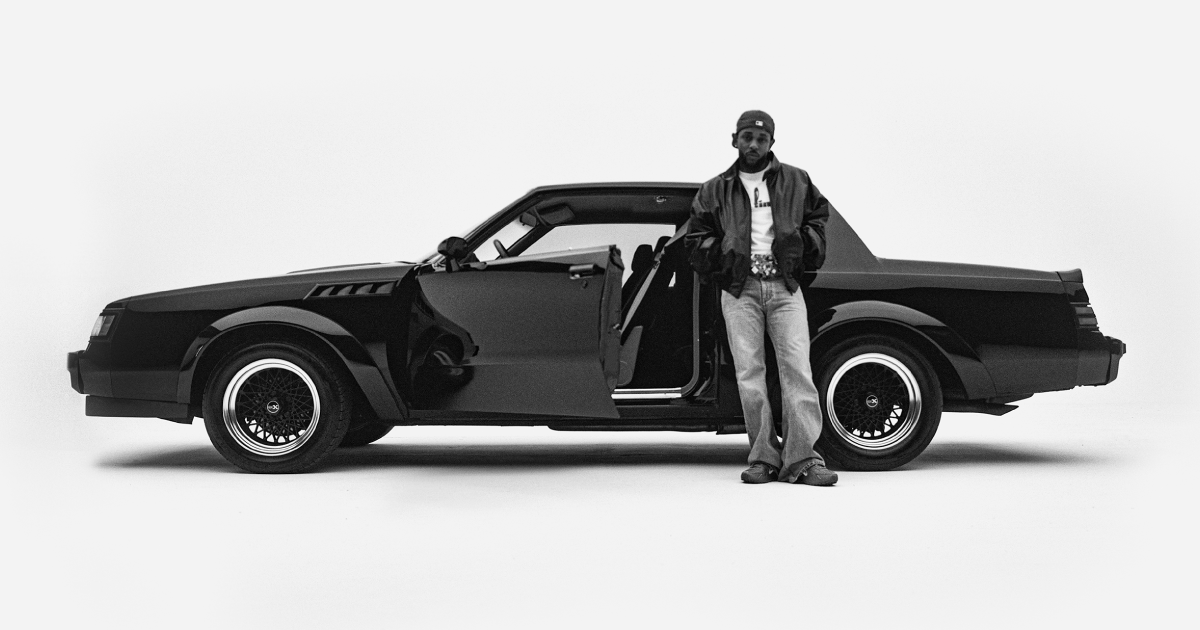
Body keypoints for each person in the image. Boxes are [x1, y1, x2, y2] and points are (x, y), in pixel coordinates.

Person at [685, 110, 838, 486]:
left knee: (797, 371)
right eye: (747, 137)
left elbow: (819, 219)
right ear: (734, 139)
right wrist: (726, 263)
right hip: (740, 290)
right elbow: (695, 238)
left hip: (785, 288)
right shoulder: (714, 188)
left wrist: (801, 249)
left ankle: (803, 459)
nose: (753, 144)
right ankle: (763, 458)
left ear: (771, 142)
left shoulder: (796, 180)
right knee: (749, 374)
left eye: (761, 138)